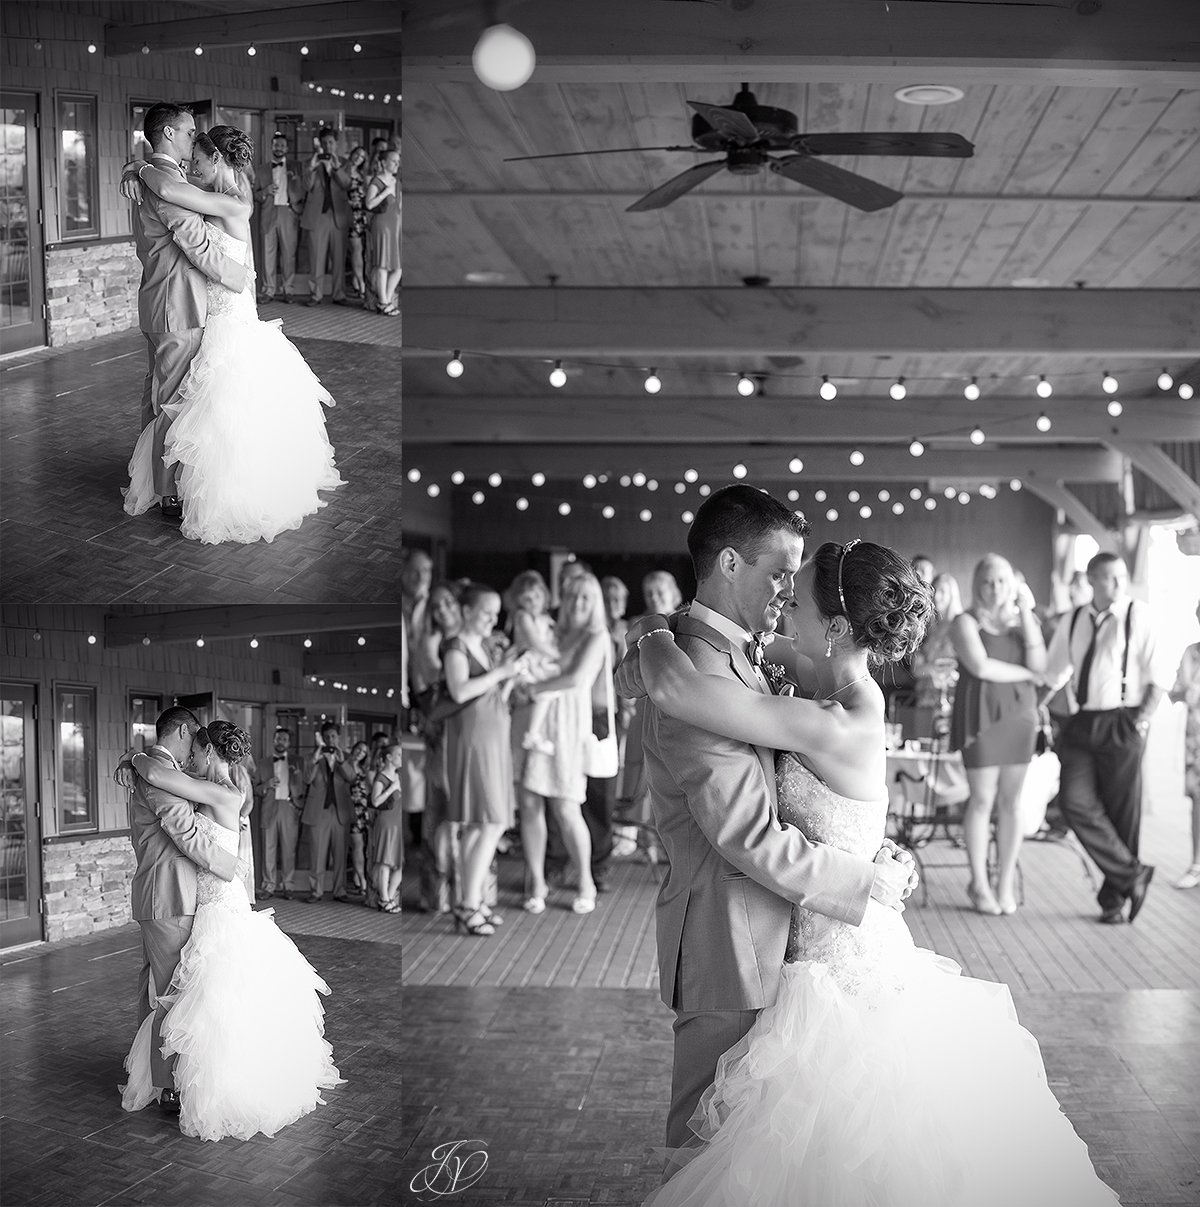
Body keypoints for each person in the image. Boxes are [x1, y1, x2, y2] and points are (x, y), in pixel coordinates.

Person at [621, 530, 1118, 1207]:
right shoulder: (827, 696)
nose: (781, 612)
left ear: (832, 626)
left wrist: (654, 638)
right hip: (808, 945)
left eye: (794, 602)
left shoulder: (833, 719)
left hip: (835, 969)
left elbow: (683, 692)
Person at [611, 486, 915, 1176]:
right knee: (712, 1154)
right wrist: (866, 879)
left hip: (793, 944)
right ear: (727, 563)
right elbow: (747, 833)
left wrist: (654, 633)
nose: (785, 592)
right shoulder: (697, 674)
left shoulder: (754, 663)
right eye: (780, 572)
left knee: (779, 1155)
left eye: (795, 585)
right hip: (732, 941)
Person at [120, 126, 345, 544]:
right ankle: (185, 484)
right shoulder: (221, 194)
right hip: (211, 313)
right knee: (199, 411)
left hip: (229, 321)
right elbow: (173, 190)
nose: (192, 168)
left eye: (198, 162)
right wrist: (137, 168)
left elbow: (172, 191)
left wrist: (138, 166)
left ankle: (223, 492)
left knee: (222, 412)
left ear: (217, 160)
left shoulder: (230, 202)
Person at [120, 720, 342, 1140]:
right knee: (195, 998)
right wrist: (133, 759)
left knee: (212, 1000)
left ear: (210, 752)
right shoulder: (211, 787)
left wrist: (134, 757)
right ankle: (180, 1078)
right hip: (200, 902)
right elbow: (165, 779)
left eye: (198, 753)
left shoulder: (223, 792)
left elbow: (160, 777)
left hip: (218, 905)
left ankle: (203, 1082)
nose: (192, 760)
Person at [124, 103, 250, 520]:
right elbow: (196, 243)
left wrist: (135, 167)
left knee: (157, 394)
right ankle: (167, 492)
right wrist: (239, 277)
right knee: (171, 401)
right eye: (189, 131)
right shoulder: (163, 182)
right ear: (168, 133)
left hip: (161, 302)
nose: (194, 137)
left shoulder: (155, 178)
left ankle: (149, 475)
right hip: (178, 306)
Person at [116, 706, 240, 1119]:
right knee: (171, 992)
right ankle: (167, 1085)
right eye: (193, 741)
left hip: (167, 896)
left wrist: (132, 757)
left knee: (158, 988)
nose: (194, 754)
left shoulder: (160, 769)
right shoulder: (157, 770)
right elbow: (185, 832)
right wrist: (227, 866)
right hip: (169, 896)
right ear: (183, 731)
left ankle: (155, 1071)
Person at [1045, 553, 1173, 923]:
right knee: (1074, 802)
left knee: (1122, 812)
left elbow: (1159, 675)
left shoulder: (1138, 614)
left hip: (1124, 720)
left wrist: (1139, 721)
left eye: (1121, 577)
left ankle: (1113, 901)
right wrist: (1034, 706)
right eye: (1108, 578)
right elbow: (1054, 674)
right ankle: (1134, 874)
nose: (1117, 585)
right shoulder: (1073, 619)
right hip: (1083, 720)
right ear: (1091, 580)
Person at [948, 555, 1046, 915]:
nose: (995, 588)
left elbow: (1042, 666)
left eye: (1002, 581)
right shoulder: (965, 620)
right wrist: (1028, 675)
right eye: (988, 581)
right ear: (978, 584)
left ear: (1014, 583)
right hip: (983, 716)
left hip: (1020, 717)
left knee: (1012, 802)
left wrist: (1026, 609)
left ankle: (1004, 883)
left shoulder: (1024, 623)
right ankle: (979, 882)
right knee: (982, 800)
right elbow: (980, 666)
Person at [515, 572, 610, 916]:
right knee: (529, 805)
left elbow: (576, 679)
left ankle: (585, 879)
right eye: (571, 597)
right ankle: (536, 880)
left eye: (585, 597)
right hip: (533, 723)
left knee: (566, 808)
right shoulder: (555, 631)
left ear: (595, 602)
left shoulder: (596, 635)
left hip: (568, 728)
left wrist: (533, 689)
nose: (577, 603)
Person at [442, 583, 531, 936]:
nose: (493, 619)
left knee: (484, 823)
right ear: (466, 612)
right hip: (474, 739)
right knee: (488, 821)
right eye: (486, 612)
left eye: (496, 613)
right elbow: (460, 690)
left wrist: (511, 675)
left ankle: (473, 900)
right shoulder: (456, 646)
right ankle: (467, 903)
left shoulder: (482, 646)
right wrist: (502, 673)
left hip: (493, 735)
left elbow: (493, 694)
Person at [301, 722, 356, 903]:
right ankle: (315, 891)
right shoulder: (311, 757)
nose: (330, 739)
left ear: (338, 737)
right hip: (319, 812)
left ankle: (339, 891)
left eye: (333, 736)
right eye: (327, 737)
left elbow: (352, 778)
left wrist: (341, 761)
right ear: (322, 738)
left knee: (340, 854)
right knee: (317, 853)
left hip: (340, 812)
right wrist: (315, 759)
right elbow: (307, 779)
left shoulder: (346, 757)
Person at [300, 127, 352, 306]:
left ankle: (339, 294)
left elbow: (347, 184)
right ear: (320, 144)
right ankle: (316, 295)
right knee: (316, 258)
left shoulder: (344, 163)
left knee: (339, 258)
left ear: (336, 144)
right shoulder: (309, 162)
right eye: (324, 143)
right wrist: (312, 168)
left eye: (330, 142)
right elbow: (306, 187)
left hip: (338, 215)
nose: (327, 146)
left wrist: (335, 169)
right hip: (317, 216)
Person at [1168, 602, 1200, 889]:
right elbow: (1175, 692)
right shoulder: (1192, 652)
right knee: (1198, 801)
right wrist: (1183, 692)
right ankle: (1197, 863)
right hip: (1196, 738)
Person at [253, 132, 305, 303]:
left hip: (288, 213)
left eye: (282, 145)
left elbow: (304, 190)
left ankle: (288, 289)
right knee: (268, 254)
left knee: (289, 254)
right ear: (272, 146)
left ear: (287, 148)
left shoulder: (296, 167)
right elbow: (254, 194)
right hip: (268, 213)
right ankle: (269, 290)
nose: (279, 148)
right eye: (276, 145)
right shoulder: (261, 169)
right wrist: (265, 192)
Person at [253, 726, 304, 901]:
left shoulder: (297, 762)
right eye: (278, 739)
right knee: (268, 849)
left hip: (289, 808)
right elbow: (254, 789)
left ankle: (288, 885)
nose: (281, 742)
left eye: (284, 739)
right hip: (269, 808)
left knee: (289, 850)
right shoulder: (262, 763)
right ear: (273, 741)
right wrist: (266, 784)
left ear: (288, 743)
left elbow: (304, 786)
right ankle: (269, 885)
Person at [369, 742, 405, 912]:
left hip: (398, 823)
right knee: (385, 861)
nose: (401, 758)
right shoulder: (381, 777)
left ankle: (390, 897)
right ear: (389, 758)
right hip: (386, 823)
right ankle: (383, 899)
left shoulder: (399, 775)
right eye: (398, 755)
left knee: (399, 863)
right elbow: (375, 801)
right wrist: (392, 789)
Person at [364, 148, 401, 315]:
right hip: (382, 225)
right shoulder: (376, 181)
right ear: (384, 162)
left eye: (398, 161)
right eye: (393, 161)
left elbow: (400, 206)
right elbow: (369, 204)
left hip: (396, 226)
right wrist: (386, 192)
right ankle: (383, 302)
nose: (397, 164)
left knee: (398, 268)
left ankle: (385, 298)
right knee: (382, 264)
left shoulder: (397, 181)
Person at [345, 740, 373, 897]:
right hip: (350, 809)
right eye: (358, 749)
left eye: (363, 752)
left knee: (363, 847)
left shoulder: (364, 769)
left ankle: (357, 878)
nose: (359, 753)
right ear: (353, 749)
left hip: (364, 810)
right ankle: (362, 881)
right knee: (357, 845)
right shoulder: (344, 765)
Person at [343, 145, 369, 301]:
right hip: (348, 213)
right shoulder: (343, 170)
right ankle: (360, 283)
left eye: (362, 157)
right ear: (352, 154)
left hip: (361, 213)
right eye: (357, 154)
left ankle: (356, 280)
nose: (358, 158)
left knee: (359, 250)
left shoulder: (361, 174)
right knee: (356, 249)